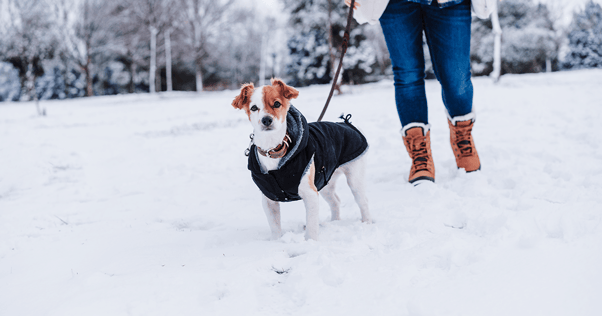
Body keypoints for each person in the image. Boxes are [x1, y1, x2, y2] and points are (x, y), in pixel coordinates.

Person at [345, 0, 481, 185]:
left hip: (451, 2)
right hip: (396, 4)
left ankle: (463, 138)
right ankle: (420, 154)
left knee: (456, 76)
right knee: (407, 76)